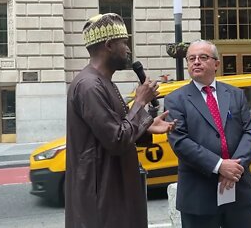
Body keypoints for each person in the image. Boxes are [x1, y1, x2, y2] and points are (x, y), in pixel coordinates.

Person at [65, 13, 175, 228]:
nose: (128, 49)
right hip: (102, 197)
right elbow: (116, 139)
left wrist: (147, 126)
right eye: (124, 42)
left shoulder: (102, 82)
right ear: (108, 45)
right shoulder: (90, 86)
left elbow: (117, 128)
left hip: (113, 188)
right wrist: (140, 102)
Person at [165, 40, 251, 228]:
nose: (196, 62)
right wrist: (219, 166)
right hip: (199, 196)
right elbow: (180, 142)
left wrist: (233, 169)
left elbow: (250, 132)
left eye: (203, 57)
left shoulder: (235, 94)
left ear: (216, 64)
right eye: (191, 58)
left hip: (238, 191)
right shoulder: (175, 100)